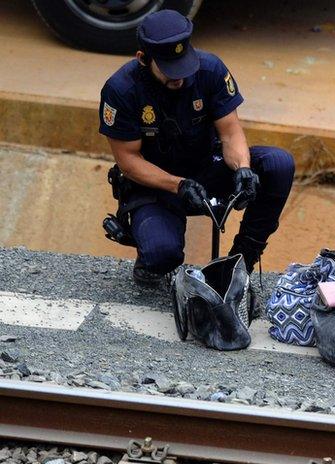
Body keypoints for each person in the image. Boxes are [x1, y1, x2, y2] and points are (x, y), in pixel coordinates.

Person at [98, 9, 293, 284]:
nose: (179, 77)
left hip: (206, 167)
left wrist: (243, 169)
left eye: (183, 65)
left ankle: (240, 263)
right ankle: (147, 243)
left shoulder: (210, 69)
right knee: (161, 256)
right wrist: (178, 185)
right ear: (143, 59)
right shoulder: (121, 89)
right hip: (156, 185)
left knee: (278, 164)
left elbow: (230, 132)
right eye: (169, 70)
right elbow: (128, 161)